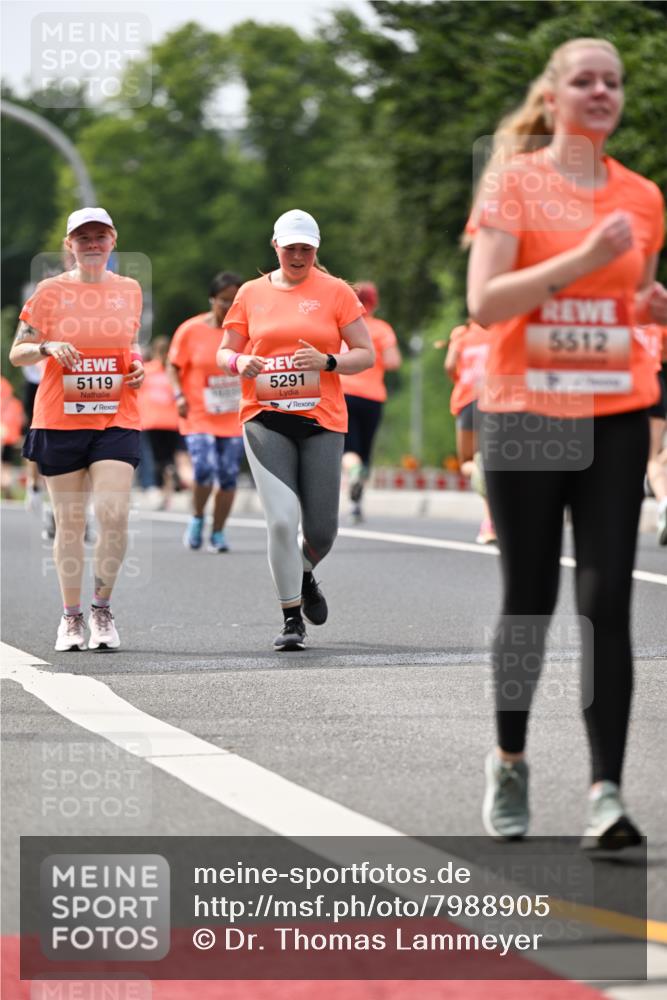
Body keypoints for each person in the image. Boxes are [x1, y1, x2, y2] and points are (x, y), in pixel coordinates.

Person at [466, 39, 667, 848]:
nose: (599, 91)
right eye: (582, 80)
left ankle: (604, 795)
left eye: (611, 82)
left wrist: (646, 305)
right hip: (522, 413)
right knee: (528, 603)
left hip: (614, 409)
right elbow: (484, 301)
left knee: (606, 601)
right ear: (551, 99)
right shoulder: (513, 184)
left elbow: (620, 299)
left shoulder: (643, 196)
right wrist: (582, 258)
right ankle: (509, 759)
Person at [218, 209, 374, 650]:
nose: (299, 256)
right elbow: (224, 352)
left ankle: (305, 574)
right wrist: (239, 362)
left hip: (321, 418)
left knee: (322, 532)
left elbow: (366, 354)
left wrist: (328, 362)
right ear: (276, 248)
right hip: (264, 417)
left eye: (306, 248)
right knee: (283, 522)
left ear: (316, 249)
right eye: (291, 249)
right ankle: (291, 620)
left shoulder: (336, 292)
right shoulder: (250, 293)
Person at [10, 206, 145, 651]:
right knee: (70, 523)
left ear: (112, 241)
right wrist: (47, 346)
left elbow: (128, 349)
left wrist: (138, 369)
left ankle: (101, 609)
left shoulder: (129, 290)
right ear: (70, 245)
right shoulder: (49, 292)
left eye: (99, 236)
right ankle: (71, 619)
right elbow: (18, 352)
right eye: (82, 237)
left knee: (114, 514)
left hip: (115, 416)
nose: (92, 244)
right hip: (61, 418)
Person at [167, 272, 244, 552]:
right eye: (224, 301)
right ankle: (198, 517)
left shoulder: (246, 332)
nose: (229, 307)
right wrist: (178, 395)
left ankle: (219, 532)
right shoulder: (191, 330)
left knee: (228, 475)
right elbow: (172, 366)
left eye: (235, 302)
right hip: (199, 414)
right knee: (204, 468)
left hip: (234, 417)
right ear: (212, 300)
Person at [339, 282, 401, 522]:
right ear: (374, 302)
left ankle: (352, 474)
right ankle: (357, 503)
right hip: (373, 396)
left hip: (344, 393)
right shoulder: (382, 329)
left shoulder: (343, 326)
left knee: (348, 448)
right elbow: (393, 361)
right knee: (365, 450)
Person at [443, 320, 495, 543]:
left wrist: (456, 379)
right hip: (496, 401)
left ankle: (489, 523)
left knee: (466, 461)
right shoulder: (499, 330)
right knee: (495, 460)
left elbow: (449, 365)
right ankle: (490, 524)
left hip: (467, 400)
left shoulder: (462, 334)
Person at [138, 336, 190, 510]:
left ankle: (161, 492)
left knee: (160, 460)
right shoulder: (157, 371)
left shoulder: (164, 371)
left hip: (161, 422)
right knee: (159, 460)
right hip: (160, 422)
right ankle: (159, 491)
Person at [642, 325, 667, 544]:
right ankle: (664, 502)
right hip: (653, 384)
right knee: (653, 457)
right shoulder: (655, 314)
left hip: (624, 386)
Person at [1, 376, 25, 499]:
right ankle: (6, 485)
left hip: (6, 436)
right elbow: (20, 420)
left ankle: (5, 483)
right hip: (10, 436)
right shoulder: (16, 404)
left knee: (5, 465)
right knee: (6, 465)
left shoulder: (13, 404)